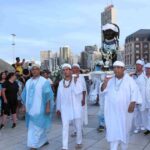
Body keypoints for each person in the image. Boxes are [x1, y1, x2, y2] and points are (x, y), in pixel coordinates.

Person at [100, 61, 142, 150]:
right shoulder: (110, 80)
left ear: (123, 69)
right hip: (112, 113)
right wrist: (105, 83)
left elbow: (135, 92)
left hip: (125, 112)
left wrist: (133, 102)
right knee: (113, 132)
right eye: (115, 67)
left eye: (119, 67)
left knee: (124, 133)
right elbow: (102, 90)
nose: (116, 69)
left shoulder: (130, 80)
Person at [21, 64, 54, 150]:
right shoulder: (28, 82)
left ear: (39, 70)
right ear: (31, 71)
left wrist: (47, 107)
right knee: (37, 126)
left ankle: (33, 145)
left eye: (36, 69)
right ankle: (43, 140)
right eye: (32, 69)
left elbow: (48, 96)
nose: (34, 71)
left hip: (40, 108)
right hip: (29, 109)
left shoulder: (44, 81)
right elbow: (24, 95)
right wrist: (24, 106)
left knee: (36, 128)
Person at [56, 64, 84, 150]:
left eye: (67, 69)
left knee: (78, 126)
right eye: (64, 70)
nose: (65, 71)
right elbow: (59, 96)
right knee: (65, 126)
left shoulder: (77, 80)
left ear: (70, 70)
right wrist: (58, 108)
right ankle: (65, 146)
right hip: (65, 108)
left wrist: (75, 82)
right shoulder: (61, 83)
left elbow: (78, 92)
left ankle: (79, 141)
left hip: (76, 107)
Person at [71, 64, 88, 136]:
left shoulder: (81, 77)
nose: (74, 69)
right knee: (73, 115)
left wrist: (83, 99)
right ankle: (75, 130)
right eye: (73, 68)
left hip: (80, 99)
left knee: (80, 115)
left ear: (78, 69)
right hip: (72, 99)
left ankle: (80, 130)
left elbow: (84, 89)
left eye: (76, 68)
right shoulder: (70, 77)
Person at [132, 60, 146, 133]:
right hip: (134, 97)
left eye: (139, 65)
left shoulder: (145, 75)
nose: (137, 66)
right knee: (136, 113)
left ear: (142, 66)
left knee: (142, 112)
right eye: (136, 65)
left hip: (143, 97)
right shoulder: (133, 75)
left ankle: (143, 125)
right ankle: (137, 127)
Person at [143, 63, 150, 135]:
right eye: (147, 68)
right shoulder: (143, 77)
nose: (148, 70)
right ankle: (148, 128)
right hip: (144, 99)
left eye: (149, 69)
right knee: (145, 115)